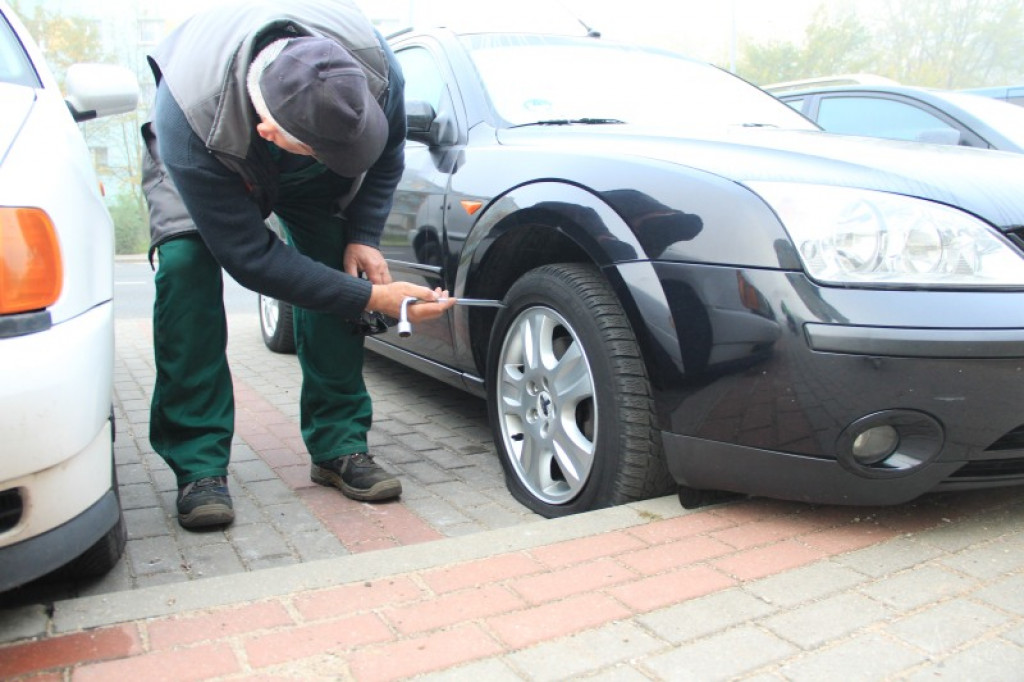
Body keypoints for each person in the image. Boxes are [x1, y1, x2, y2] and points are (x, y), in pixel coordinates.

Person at [140, 0, 455, 530]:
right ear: (271, 131)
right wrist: (374, 300)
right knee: (186, 265)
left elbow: (388, 151)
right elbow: (250, 259)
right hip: (213, 149)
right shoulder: (190, 119)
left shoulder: (374, 67)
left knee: (334, 264)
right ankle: (198, 465)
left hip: (305, 158)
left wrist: (362, 236)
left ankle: (339, 445)